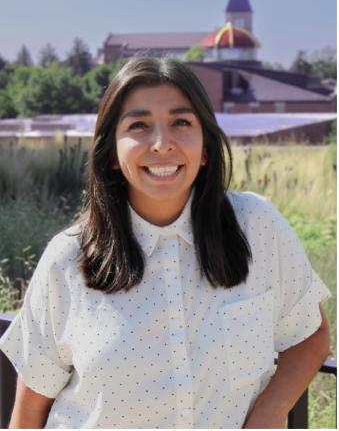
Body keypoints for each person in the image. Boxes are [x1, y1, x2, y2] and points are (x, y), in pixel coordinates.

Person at [0, 57, 331, 429]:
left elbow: (310, 334)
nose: (161, 144)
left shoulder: (257, 227)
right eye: (139, 125)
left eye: (181, 123)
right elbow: (28, 414)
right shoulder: (68, 259)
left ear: (205, 147)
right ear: (111, 153)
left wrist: (269, 413)